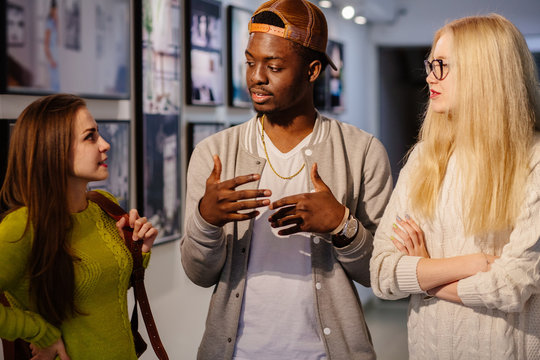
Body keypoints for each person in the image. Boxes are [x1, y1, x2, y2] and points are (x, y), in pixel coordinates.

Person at [180, 0, 392, 359]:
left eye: (273, 66)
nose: (256, 77)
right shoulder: (214, 153)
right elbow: (199, 274)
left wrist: (343, 226)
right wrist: (206, 221)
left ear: (312, 71)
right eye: (250, 62)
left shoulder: (361, 151)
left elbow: (381, 274)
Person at [370, 14, 540, 359]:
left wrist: (425, 276)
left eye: (442, 65)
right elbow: (382, 274)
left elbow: (513, 285)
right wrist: (474, 263)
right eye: (431, 64)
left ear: (485, 72)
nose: (430, 76)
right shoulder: (424, 159)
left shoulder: (532, 162)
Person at [0, 94, 158, 359]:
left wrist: (138, 253)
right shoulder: (22, 227)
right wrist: (40, 333)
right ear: (54, 148)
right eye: (90, 137)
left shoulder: (103, 204)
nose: (105, 145)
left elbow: (105, 290)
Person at [44, 0, 60, 92]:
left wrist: (57, 20)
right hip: (52, 55)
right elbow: (46, 44)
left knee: (57, 81)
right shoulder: (49, 24)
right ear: (51, 10)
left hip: (56, 53)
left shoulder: (54, 22)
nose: (55, 13)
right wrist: (51, 60)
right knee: (54, 81)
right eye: (54, 10)